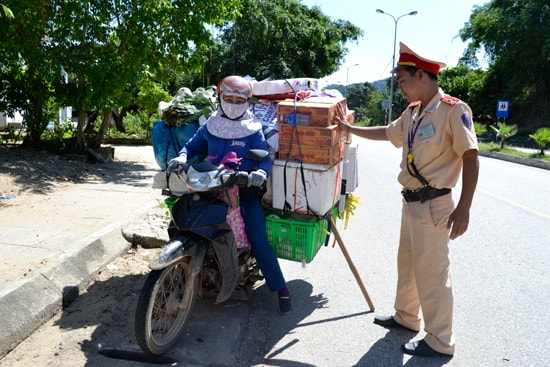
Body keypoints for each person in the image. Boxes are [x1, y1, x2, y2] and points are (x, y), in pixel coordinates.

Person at [338, 42, 479, 357]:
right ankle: (406, 317)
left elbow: (470, 157)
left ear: (421, 75)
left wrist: (464, 208)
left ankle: (440, 340)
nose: (399, 88)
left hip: (435, 204)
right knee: (409, 265)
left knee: (433, 273)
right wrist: (351, 128)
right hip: (411, 203)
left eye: (402, 81)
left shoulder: (453, 110)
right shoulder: (414, 111)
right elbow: (388, 133)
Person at [168, 75, 292, 315]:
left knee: (258, 239)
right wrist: (181, 157)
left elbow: (265, 159)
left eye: (239, 100)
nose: (234, 104)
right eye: (229, 98)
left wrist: (259, 173)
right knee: (186, 223)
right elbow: (193, 146)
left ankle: (281, 289)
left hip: (244, 191)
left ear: (247, 101)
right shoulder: (212, 125)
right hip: (211, 187)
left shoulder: (253, 128)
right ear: (220, 98)